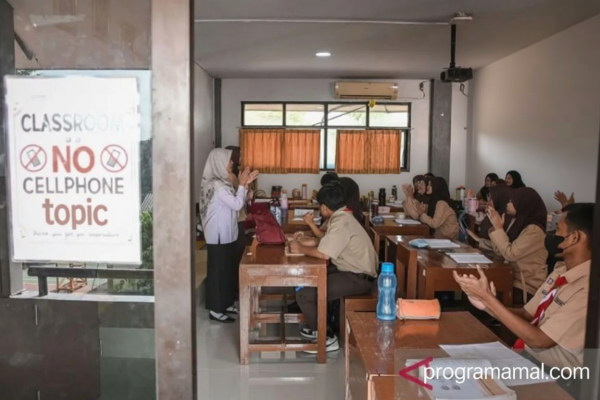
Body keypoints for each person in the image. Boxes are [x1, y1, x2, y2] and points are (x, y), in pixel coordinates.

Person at [454, 203, 593, 372]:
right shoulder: (561, 271)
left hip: (555, 376)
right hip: (526, 358)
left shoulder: (588, 290)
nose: (551, 234)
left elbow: (539, 340)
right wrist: (486, 304)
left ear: (574, 238)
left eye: (557, 229)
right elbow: (527, 314)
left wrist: (488, 299)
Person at [290, 182, 378, 353]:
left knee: (305, 294)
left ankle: (326, 338)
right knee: (310, 279)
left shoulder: (341, 222)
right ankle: (321, 328)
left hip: (358, 277)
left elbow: (324, 254)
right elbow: (324, 240)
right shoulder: (341, 216)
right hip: (350, 270)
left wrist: (300, 249)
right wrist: (301, 242)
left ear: (323, 207)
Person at [199, 148, 258, 323]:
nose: (232, 163)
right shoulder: (217, 187)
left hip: (227, 234)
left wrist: (245, 185)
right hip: (218, 236)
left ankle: (226, 303)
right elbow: (237, 204)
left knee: (227, 270)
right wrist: (242, 185)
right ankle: (215, 309)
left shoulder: (223, 184)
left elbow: (239, 202)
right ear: (218, 163)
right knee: (218, 273)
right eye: (228, 160)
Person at [468, 187, 548, 304]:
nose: (507, 203)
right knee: (473, 290)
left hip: (524, 286)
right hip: (509, 277)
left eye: (511, 201)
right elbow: (499, 252)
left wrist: (499, 229)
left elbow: (510, 254)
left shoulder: (534, 231)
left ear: (522, 204)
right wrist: (496, 228)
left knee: (479, 296)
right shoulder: (516, 222)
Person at [225, 146, 254, 294]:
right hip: (235, 221)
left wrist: (247, 189)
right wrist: (244, 186)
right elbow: (235, 201)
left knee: (239, 253)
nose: (242, 158)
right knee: (237, 255)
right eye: (240, 155)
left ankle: (238, 286)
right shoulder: (229, 177)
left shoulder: (236, 176)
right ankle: (237, 288)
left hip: (239, 218)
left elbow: (240, 199)